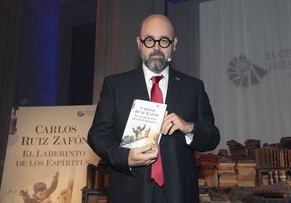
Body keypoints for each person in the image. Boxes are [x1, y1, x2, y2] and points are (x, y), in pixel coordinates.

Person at [88, 14, 220, 203]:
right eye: (149, 40)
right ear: (139, 43)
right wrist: (125, 157)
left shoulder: (193, 87)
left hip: (180, 194)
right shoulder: (115, 85)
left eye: (164, 40)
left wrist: (189, 128)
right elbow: (97, 135)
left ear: (174, 44)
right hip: (129, 192)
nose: (156, 47)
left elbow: (212, 137)